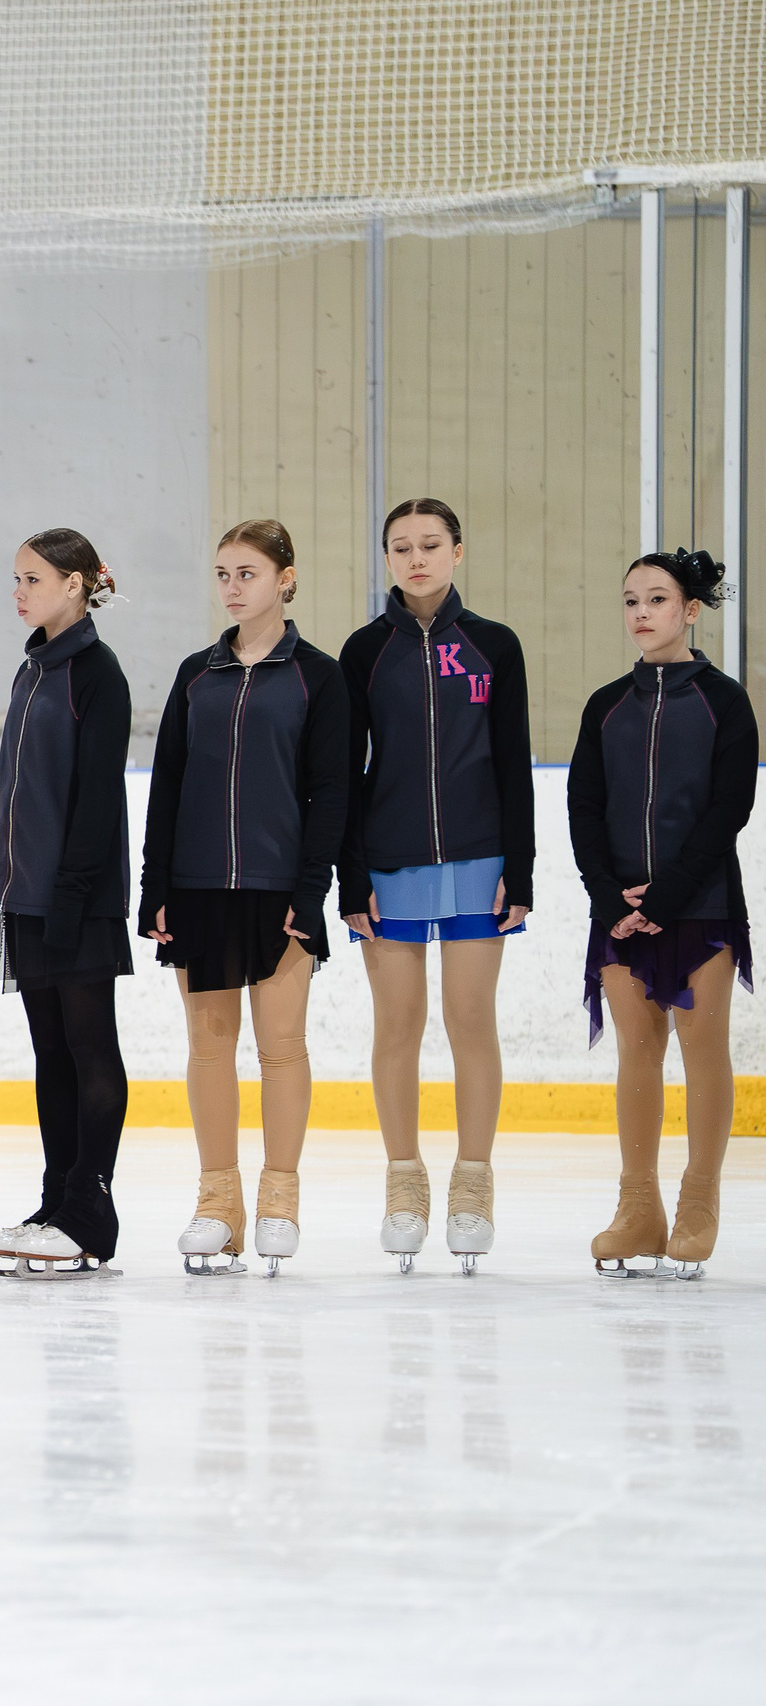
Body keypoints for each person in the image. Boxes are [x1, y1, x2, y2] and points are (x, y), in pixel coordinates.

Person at [140, 520, 348, 1276]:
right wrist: (154, 885)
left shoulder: (317, 677)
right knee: (208, 1047)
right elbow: (167, 783)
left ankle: (279, 1201)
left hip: (279, 889)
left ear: (285, 579)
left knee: (282, 1047)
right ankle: (217, 1203)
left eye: (248, 574)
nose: (232, 587)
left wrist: (312, 888)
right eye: (223, 574)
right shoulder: (195, 675)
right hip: (197, 888)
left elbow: (331, 792)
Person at [338, 498, 532, 1275]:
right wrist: (351, 873)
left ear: (457, 551)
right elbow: (345, 772)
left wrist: (521, 866)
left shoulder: (495, 646)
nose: (416, 559)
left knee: (471, 1020)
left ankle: (473, 1189)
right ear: (387, 558)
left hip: (481, 860)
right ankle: (405, 1188)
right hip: (388, 864)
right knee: (397, 1025)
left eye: (430, 544)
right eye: (401, 547)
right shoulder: (364, 652)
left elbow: (513, 761)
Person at [568, 548, 755, 1279]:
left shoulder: (724, 702)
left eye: (656, 599)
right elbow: (584, 805)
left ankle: (698, 1202)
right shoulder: (605, 705)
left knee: (703, 1049)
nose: (641, 613)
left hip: (701, 904)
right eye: (630, 601)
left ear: (690, 610)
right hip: (619, 910)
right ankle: (638, 1209)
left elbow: (730, 807)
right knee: (636, 1052)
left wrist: (670, 894)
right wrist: (606, 895)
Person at [0, 528, 133, 1278]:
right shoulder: (32, 669)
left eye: (32, 579)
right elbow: (18, 787)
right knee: (52, 1055)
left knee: (90, 1047)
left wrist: (69, 896)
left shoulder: (97, 673)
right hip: (29, 894)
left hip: (78, 897)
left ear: (75, 583)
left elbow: (97, 800)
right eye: (17, 578)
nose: (18, 592)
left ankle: (90, 1211)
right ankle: (56, 1203)